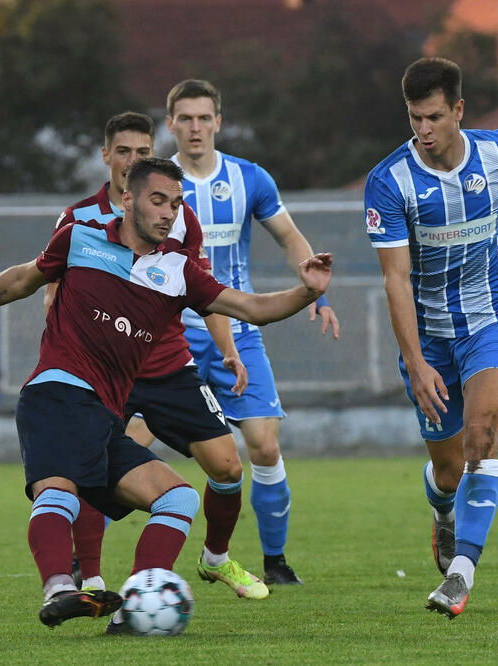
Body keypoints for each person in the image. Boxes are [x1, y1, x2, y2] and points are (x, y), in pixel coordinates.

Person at [0, 158, 331, 629]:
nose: (169, 213)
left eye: (176, 204)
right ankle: (61, 590)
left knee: (178, 498)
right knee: (59, 491)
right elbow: (20, 280)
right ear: (128, 199)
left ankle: (133, 609)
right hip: (57, 393)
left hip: (105, 415)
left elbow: (251, 307)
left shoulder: (179, 271)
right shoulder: (78, 238)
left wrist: (307, 291)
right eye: (158, 200)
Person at [365, 57, 498, 619]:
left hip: (497, 319)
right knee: (448, 472)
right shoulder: (389, 182)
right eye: (415, 118)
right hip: (432, 338)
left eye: (434, 117)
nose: (424, 129)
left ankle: (460, 575)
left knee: (482, 435)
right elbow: (395, 279)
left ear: (459, 110)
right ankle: (442, 509)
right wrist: (416, 362)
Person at [46, 112, 271, 619]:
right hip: (104, 372)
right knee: (90, 469)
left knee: (228, 467)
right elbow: (53, 291)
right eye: (123, 151)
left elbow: (203, 291)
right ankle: (94, 579)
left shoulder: (178, 216)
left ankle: (216, 559)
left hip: (169, 366)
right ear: (107, 156)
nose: (132, 160)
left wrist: (229, 349)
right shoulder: (79, 219)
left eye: (142, 151)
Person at [160, 79, 339, 586]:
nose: (195, 128)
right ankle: (85, 564)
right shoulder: (158, 184)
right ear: (170, 124)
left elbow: (288, 236)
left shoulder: (249, 179)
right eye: (185, 118)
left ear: (218, 122)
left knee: (263, 446)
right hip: (168, 336)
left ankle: (275, 561)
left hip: (238, 330)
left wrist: (316, 291)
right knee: (128, 440)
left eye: (204, 118)